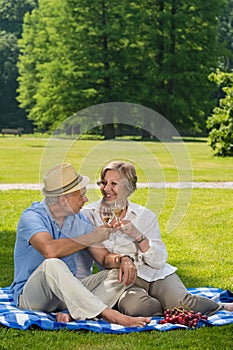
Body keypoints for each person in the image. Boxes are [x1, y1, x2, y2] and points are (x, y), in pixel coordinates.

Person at [81, 161, 233, 316]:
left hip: (154, 274)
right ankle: (165, 307)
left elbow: (159, 260)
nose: (106, 189)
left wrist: (138, 236)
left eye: (113, 184)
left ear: (128, 188)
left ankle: (219, 306)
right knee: (138, 309)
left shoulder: (145, 216)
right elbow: (102, 257)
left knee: (184, 305)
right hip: (123, 280)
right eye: (104, 183)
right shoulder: (90, 214)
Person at [10, 163, 151, 327]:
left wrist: (123, 260)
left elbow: (104, 258)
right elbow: (50, 250)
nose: (86, 199)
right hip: (33, 297)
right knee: (52, 264)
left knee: (117, 274)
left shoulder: (78, 220)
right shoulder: (32, 217)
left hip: (66, 296)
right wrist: (91, 236)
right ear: (63, 199)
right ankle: (109, 314)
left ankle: (73, 313)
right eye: (81, 195)